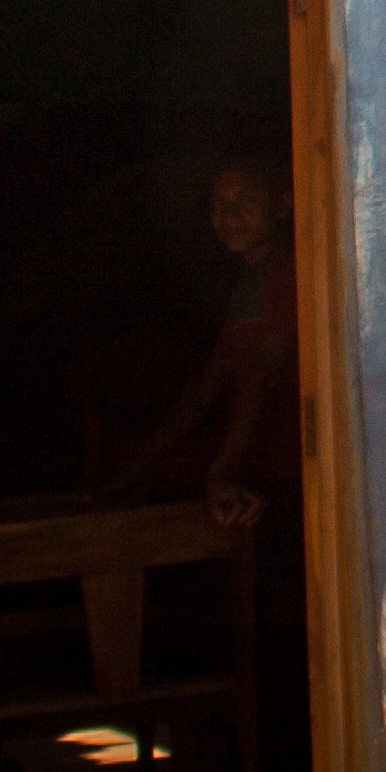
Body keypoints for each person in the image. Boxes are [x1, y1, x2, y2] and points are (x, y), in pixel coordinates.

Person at [112, 162, 299, 528]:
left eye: (247, 199)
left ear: (283, 205)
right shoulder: (249, 286)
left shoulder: (293, 274)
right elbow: (208, 386)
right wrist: (131, 472)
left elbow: (264, 370)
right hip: (257, 474)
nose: (229, 215)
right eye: (218, 203)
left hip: (292, 477)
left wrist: (221, 473)